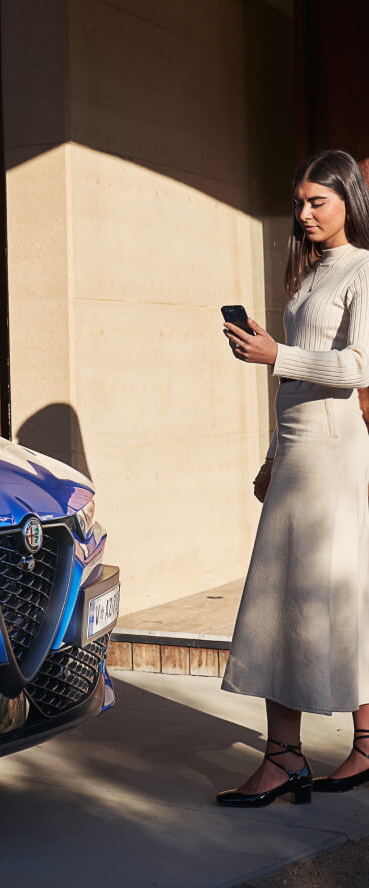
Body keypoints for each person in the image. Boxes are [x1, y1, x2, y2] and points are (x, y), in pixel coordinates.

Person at [217, 149, 369, 808]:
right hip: (301, 455)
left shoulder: (364, 270)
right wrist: (274, 453)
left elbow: (359, 368)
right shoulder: (309, 275)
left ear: (349, 202)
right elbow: (293, 385)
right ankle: (346, 747)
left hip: (333, 459)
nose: (304, 214)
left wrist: (278, 352)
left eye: (318, 202)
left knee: (298, 603)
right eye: (301, 202)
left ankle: (284, 759)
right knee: (311, 601)